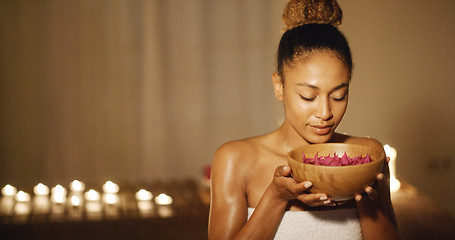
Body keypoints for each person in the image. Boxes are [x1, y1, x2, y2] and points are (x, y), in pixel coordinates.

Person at [208, 0, 400, 239]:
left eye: (339, 96)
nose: (325, 112)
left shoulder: (367, 155)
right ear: (279, 86)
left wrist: (365, 196)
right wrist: (276, 196)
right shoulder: (236, 159)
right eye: (308, 96)